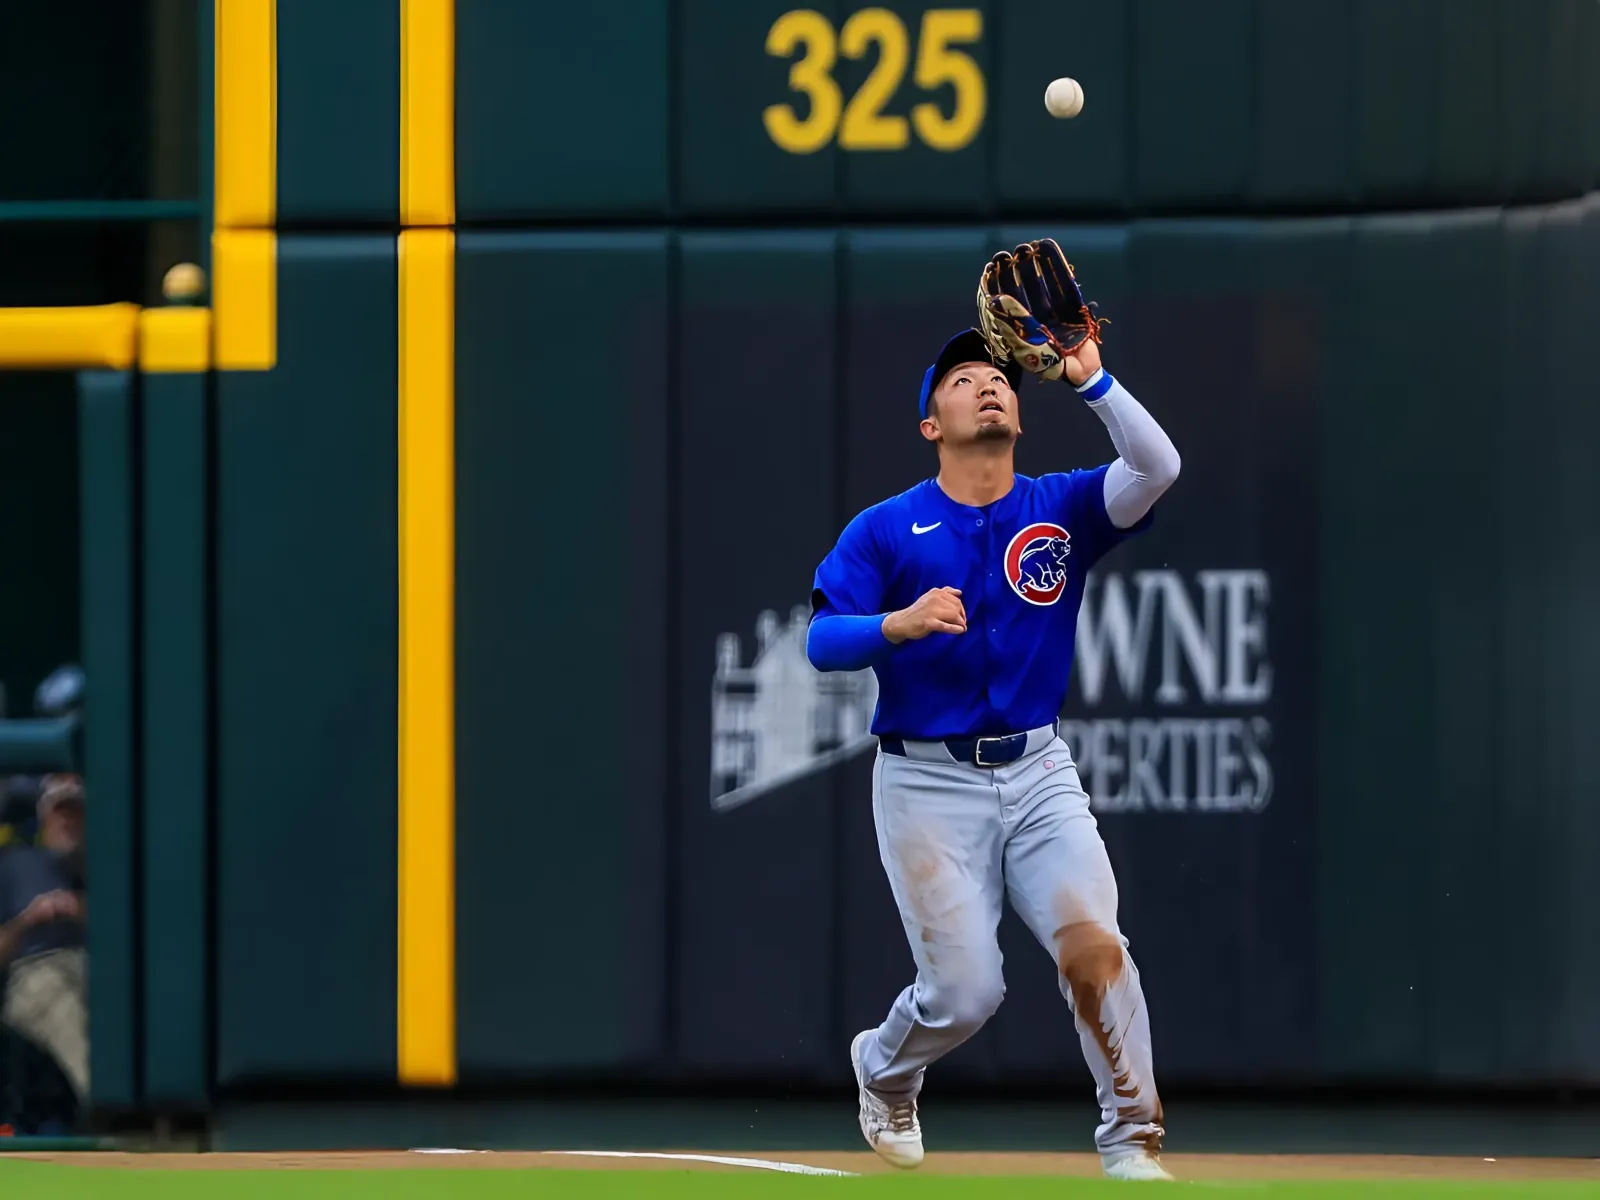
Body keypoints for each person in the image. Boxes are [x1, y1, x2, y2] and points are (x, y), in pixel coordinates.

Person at [806, 325, 1180, 1181]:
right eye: (964, 378)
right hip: (926, 782)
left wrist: (1093, 380)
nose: (989, 386)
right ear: (930, 423)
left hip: (1040, 771)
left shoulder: (1061, 505)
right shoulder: (888, 528)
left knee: (1095, 949)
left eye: (1002, 379)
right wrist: (893, 624)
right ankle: (886, 1068)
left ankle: (1132, 1140)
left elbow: (1159, 469)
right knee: (968, 995)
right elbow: (822, 641)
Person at [0, 774, 88, 1098]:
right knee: (60, 999)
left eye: (75, 812)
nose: (67, 822)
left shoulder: (104, 865)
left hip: (103, 970)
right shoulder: (14, 865)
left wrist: (78, 909)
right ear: (44, 818)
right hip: (36, 973)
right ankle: (112, 1112)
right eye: (59, 812)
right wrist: (28, 920)